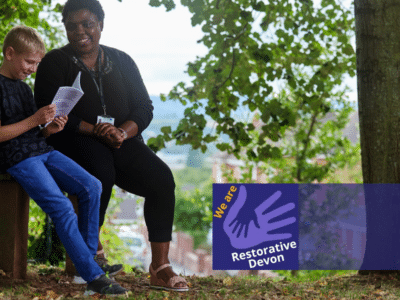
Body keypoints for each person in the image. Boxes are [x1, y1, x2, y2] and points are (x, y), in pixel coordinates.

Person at [34, 0, 188, 291]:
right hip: (72, 140)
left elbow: (144, 107)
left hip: (119, 140)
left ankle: (160, 267)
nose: (80, 31)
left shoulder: (122, 61)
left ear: (101, 25)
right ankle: (89, 254)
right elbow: (48, 109)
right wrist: (96, 130)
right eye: (72, 26)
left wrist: (121, 133)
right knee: (100, 172)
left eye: (87, 24)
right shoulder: (55, 62)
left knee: (161, 179)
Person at [0, 25, 128, 296]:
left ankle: (88, 264)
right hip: (16, 158)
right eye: (29, 62)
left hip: (40, 149)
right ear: (10, 53)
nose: (33, 69)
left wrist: (48, 129)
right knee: (61, 206)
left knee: (92, 186)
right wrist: (35, 120)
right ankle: (92, 276)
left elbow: (32, 130)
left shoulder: (23, 88)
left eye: (37, 63)